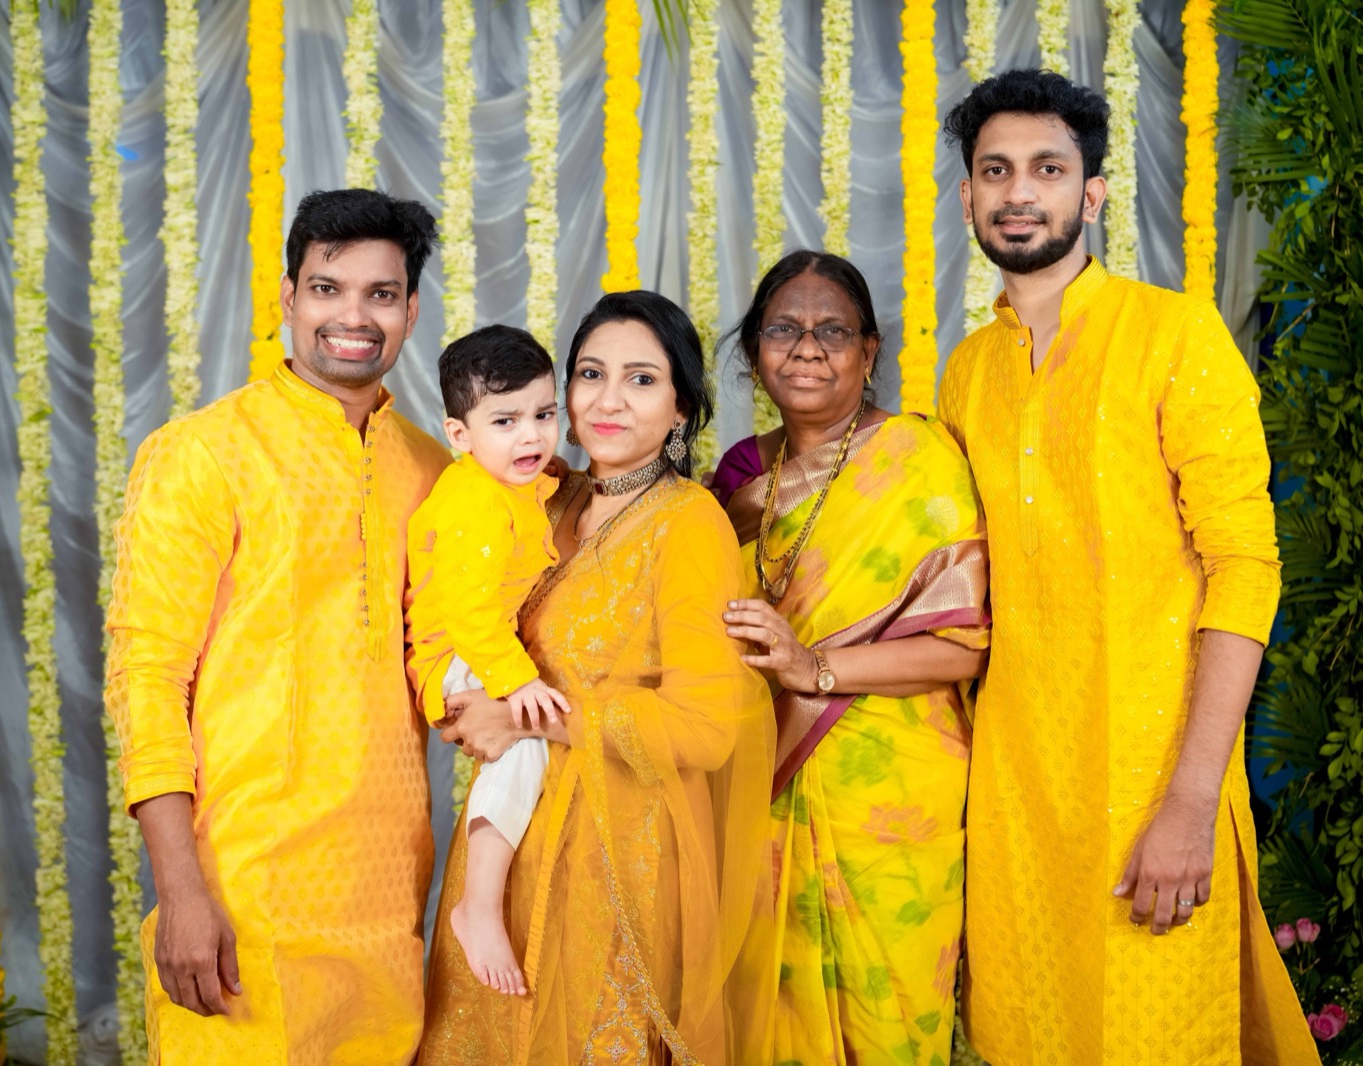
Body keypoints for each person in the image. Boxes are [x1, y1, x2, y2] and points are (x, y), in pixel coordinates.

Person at [936, 69, 1318, 1063]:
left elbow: (1245, 567)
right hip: (1016, 790)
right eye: (995, 171)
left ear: (1091, 194)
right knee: (1024, 1032)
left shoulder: (1171, 335)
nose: (1019, 192)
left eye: (1047, 169)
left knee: (1157, 1032)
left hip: (1150, 780)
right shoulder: (969, 370)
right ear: (968, 194)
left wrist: (1189, 806)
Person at [105, 188, 448, 1062]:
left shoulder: (435, 468)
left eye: (381, 294)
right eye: (328, 288)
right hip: (243, 891)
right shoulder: (204, 452)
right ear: (288, 299)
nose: (353, 316)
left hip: (387, 894)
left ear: (411, 310)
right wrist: (180, 890)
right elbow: (147, 676)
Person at [420, 291, 774, 1064]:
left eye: (642, 379)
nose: (608, 399)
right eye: (590, 373)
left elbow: (708, 730)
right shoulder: (542, 498)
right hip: (506, 854)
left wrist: (528, 719)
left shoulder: (688, 526)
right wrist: (465, 706)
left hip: (617, 869)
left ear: (681, 408)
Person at [712, 250, 991, 1066]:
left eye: (832, 330)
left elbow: (961, 648)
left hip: (893, 800)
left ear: (870, 352)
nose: (807, 347)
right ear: (754, 351)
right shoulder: (739, 477)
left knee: (889, 1017)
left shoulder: (918, 459)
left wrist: (814, 670)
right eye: (784, 329)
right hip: (761, 788)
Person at [405, 324, 568, 998]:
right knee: (526, 746)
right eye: (505, 421)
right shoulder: (473, 500)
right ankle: (477, 903)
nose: (530, 436)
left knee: (533, 746)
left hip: (483, 650)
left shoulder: (509, 483)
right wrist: (515, 683)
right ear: (460, 435)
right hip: (458, 656)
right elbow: (470, 609)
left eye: (543, 414)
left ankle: (484, 895)